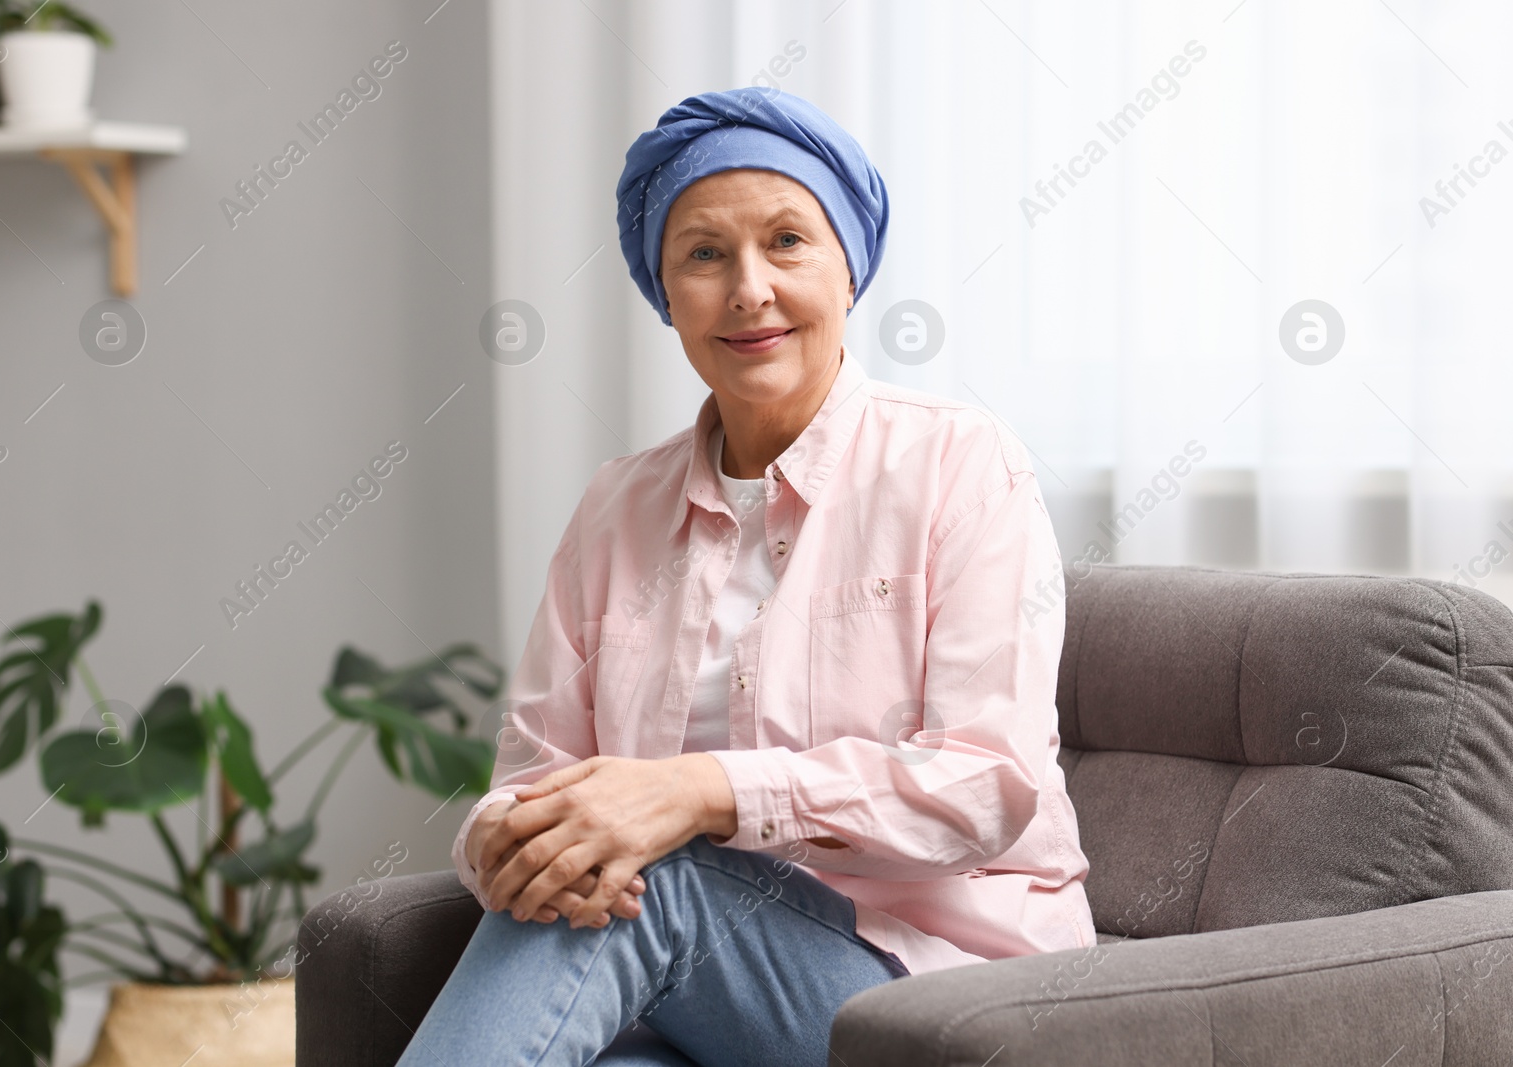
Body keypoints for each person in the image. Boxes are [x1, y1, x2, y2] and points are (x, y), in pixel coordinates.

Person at [396, 86, 1094, 1067]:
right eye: (704, 254)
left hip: (946, 993)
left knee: (667, 869)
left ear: (847, 267)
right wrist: (512, 845)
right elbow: (535, 774)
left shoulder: (958, 462)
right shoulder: (615, 507)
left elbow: (989, 782)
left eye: (787, 242)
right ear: (663, 289)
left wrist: (697, 790)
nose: (748, 288)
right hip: (696, 991)